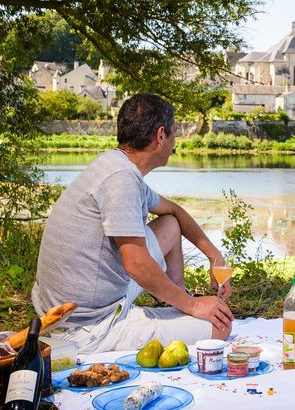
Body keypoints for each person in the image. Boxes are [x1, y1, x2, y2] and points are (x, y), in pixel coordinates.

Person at [32, 93, 233, 353]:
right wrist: (193, 306)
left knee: (170, 224)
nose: (175, 141)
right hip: (85, 326)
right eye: (173, 133)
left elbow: (174, 211)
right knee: (221, 327)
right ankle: (181, 309)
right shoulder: (121, 180)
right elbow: (136, 265)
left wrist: (215, 255)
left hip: (82, 301)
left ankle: (176, 306)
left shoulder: (117, 166)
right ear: (161, 136)